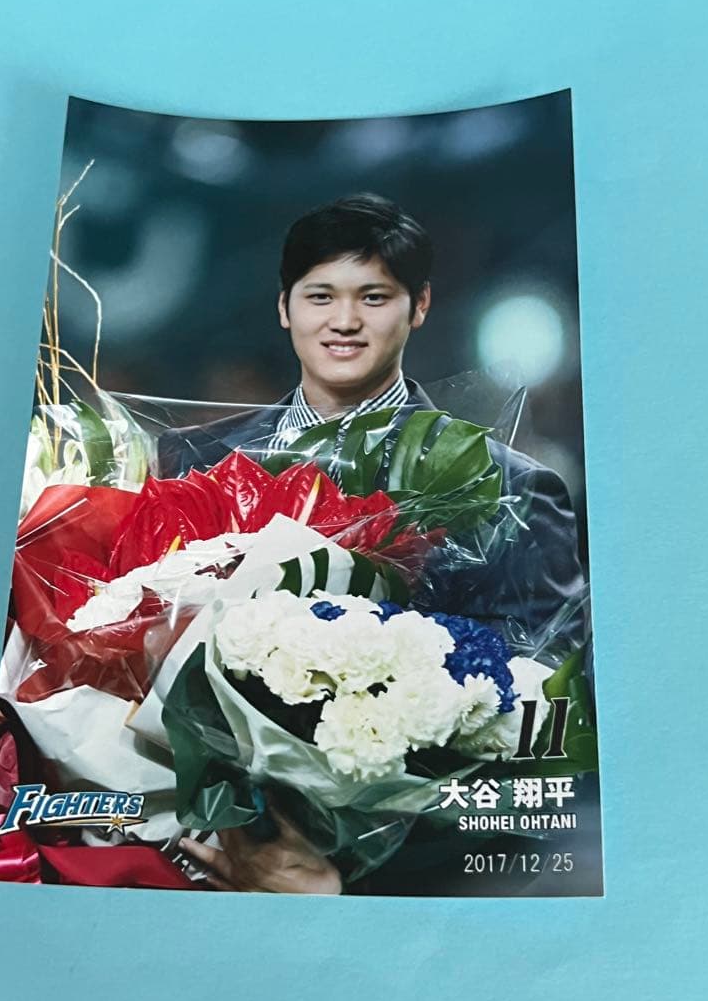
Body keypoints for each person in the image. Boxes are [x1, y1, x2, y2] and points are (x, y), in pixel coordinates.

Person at [165, 194, 586, 894]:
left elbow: (546, 731)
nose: (344, 320)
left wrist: (342, 875)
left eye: (374, 296)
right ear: (284, 308)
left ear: (419, 307)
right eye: (320, 296)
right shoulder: (192, 464)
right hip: (195, 872)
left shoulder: (513, 490)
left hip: (403, 892)